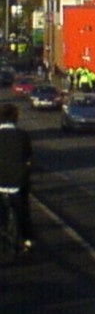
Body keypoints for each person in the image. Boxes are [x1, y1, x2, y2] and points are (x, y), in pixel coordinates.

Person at [0, 102, 34, 251]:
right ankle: (27, 239)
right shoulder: (22, 136)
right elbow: (29, 158)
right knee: (23, 209)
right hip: (18, 182)